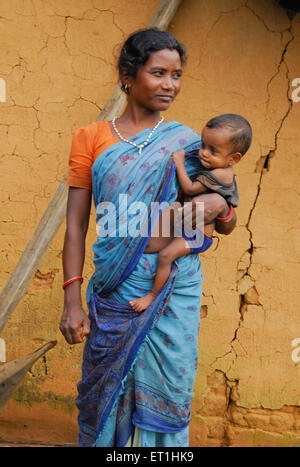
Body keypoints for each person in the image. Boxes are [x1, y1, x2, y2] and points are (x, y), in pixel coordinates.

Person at [59, 28, 236, 447]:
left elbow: (225, 221)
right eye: (159, 73)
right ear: (127, 74)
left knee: (166, 385)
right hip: (115, 288)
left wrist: (219, 209)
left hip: (172, 286)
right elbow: (75, 226)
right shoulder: (91, 139)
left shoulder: (190, 144)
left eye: (177, 75)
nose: (170, 85)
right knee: (107, 392)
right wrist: (71, 299)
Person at [129, 113, 252, 312]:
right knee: (165, 254)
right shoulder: (216, 167)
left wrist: (179, 162)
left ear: (234, 158)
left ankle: (152, 296)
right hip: (188, 230)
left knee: (166, 256)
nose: (203, 153)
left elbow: (190, 189)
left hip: (197, 236)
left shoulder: (219, 173)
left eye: (213, 150)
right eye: (203, 145)